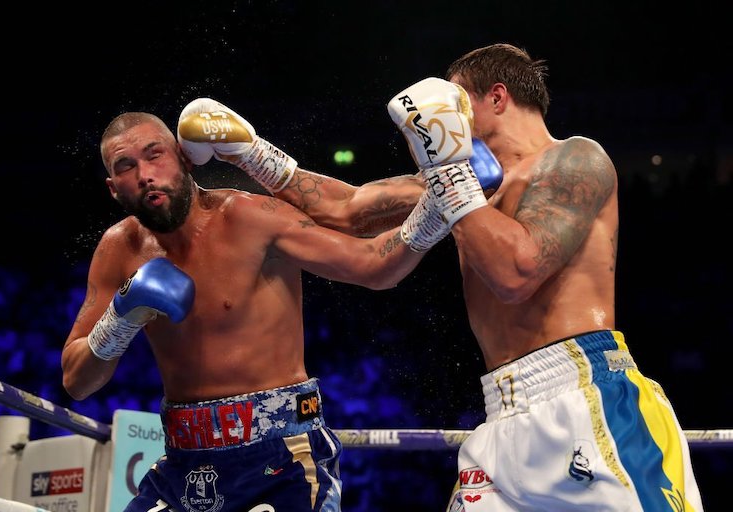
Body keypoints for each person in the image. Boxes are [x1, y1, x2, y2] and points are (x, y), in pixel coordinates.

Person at [181, 43, 704, 511]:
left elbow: (516, 273)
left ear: (496, 97)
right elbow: (350, 210)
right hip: (502, 414)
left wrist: (449, 175)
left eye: (455, 104)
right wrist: (249, 149)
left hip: (591, 401)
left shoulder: (575, 160)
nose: (440, 125)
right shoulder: (460, 182)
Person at [60, 108, 485, 511]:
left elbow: (373, 265)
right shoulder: (118, 250)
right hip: (183, 463)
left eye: (155, 155)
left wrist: (444, 201)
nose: (146, 174)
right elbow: (76, 381)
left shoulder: (250, 217)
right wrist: (121, 317)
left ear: (185, 159)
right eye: (126, 166)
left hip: (282, 454)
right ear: (114, 188)